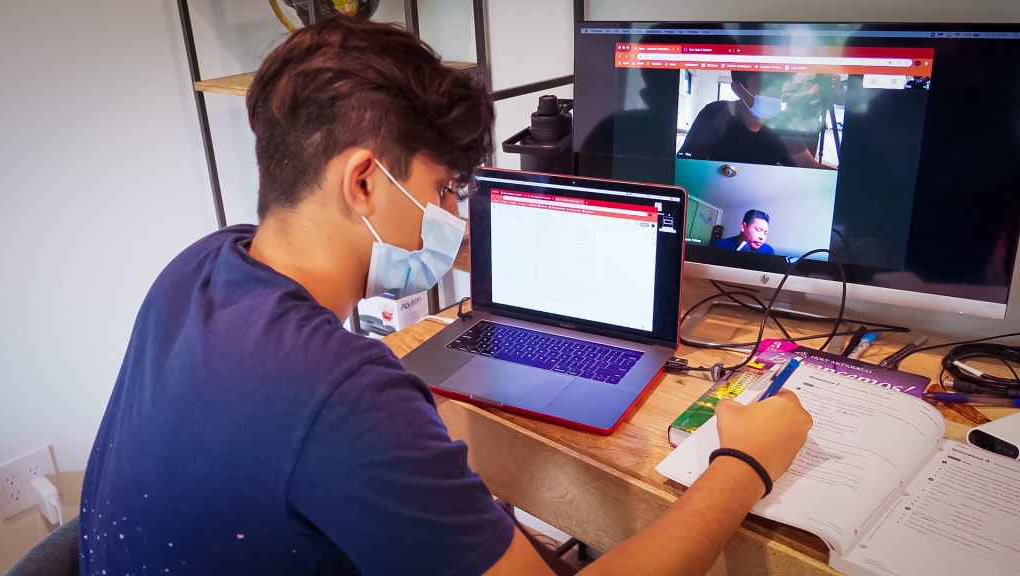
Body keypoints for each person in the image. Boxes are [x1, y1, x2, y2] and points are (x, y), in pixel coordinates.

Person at [80, 15, 811, 575]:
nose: (455, 217)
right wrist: (742, 467)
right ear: (363, 181)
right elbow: (338, 415)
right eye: (443, 190)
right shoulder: (344, 396)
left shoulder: (200, 267)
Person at [678, 71, 795, 167]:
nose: (774, 95)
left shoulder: (783, 122)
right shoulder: (716, 112)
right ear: (738, 88)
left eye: (779, 88)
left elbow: (805, 166)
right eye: (765, 86)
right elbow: (685, 163)